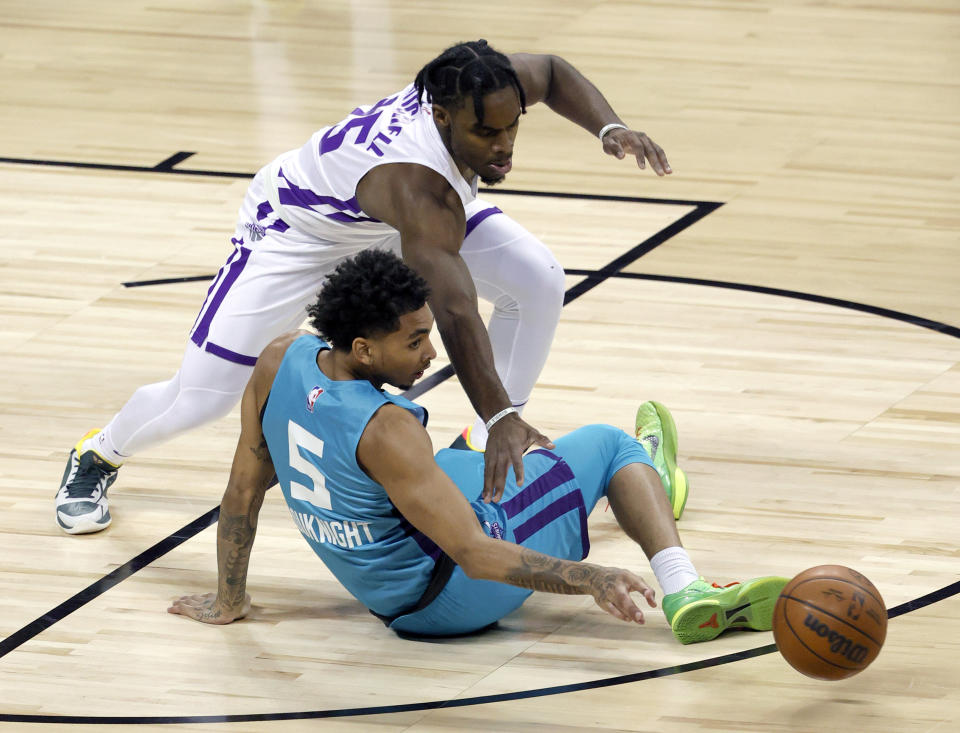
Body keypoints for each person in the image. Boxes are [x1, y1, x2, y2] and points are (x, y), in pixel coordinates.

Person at [56, 39, 675, 535]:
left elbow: (554, 70)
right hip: (297, 233)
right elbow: (455, 311)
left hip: (378, 222)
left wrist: (608, 128)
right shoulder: (420, 186)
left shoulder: (479, 82)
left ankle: (487, 443)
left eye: (513, 126)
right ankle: (99, 454)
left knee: (538, 279)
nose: (505, 145)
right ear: (441, 117)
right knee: (203, 398)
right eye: (487, 135)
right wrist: (506, 409)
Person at [169, 250, 786, 644]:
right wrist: (592, 578)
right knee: (607, 445)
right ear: (363, 349)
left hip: (387, 595)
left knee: (469, 452)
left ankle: (614, 487)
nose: (431, 352)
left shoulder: (281, 359)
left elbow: (242, 492)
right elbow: (473, 553)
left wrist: (230, 600)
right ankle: (684, 583)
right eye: (414, 342)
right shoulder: (388, 428)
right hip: (450, 597)